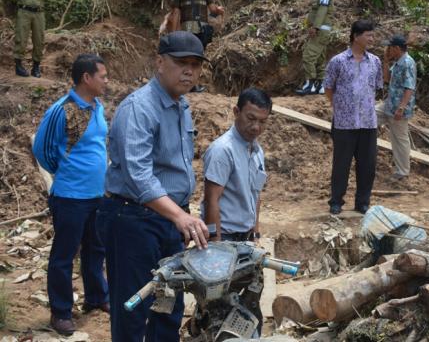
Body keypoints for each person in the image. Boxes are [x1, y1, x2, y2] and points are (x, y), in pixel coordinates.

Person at [98, 31, 210, 342]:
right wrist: (180, 217)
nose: (189, 71)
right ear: (160, 62)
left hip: (168, 219)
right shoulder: (139, 108)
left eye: (195, 64)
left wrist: (179, 215)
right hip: (132, 218)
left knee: (168, 306)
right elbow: (138, 176)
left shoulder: (181, 106)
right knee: (134, 309)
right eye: (181, 63)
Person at [32, 54, 109, 336]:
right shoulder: (61, 110)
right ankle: (61, 312)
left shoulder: (98, 106)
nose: (106, 80)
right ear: (86, 78)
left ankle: (97, 297)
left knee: (95, 249)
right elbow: (42, 150)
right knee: (64, 255)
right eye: (102, 75)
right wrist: (66, 172)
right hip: (70, 197)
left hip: (97, 195)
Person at [202, 87, 271, 334]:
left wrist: (256, 231)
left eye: (262, 122)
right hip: (226, 240)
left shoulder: (257, 150)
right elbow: (212, 200)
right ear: (236, 112)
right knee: (221, 312)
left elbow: (256, 192)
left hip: (246, 241)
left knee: (249, 306)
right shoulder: (223, 150)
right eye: (250, 118)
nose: (256, 127)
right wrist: (214, 245)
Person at [323, 19, 383, 215]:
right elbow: (329, 87)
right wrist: (340, 106)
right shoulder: (338, 61)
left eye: (372, 35)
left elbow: (377, 87)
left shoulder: (375, 61)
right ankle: (336, 201)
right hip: (344, 123)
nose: (372, 39)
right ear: (356, 36)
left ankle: (362, 202)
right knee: (341, 164)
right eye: (369, 35)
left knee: (367, 165)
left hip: (368, 122)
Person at [169, 0, 224, 92]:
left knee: (185, 59)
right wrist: (219, 10)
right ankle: (195, 85)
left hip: (186, 31)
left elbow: (176, 13)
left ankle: (184, 85)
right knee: (197, 59)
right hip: (201, 30)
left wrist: (173, 34)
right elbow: (213, 9)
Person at [376, 34, 417, 180]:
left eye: (390, 48)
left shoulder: (407, 63)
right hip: (389, 104)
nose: (388, 50)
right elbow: (387, 79)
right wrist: (386, 62)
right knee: (370, 115)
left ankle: (403, 171)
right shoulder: (398, 62)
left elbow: (409, 87)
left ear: (397, 48)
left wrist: (402, 107)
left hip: (398, 108)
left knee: (399, 139)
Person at [296, 0, 333, 95]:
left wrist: (316, 27)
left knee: (308, 56)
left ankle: (310, 85)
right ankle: (320, 85)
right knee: (320, 59)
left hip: (320, 31)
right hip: (323, 31)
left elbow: (322, 10)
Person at [14, 0, 50, 78]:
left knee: (39, 40)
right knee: (21, 38)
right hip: (24, 12)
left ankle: (36, 68)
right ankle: (18, 66)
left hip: (39, 14)